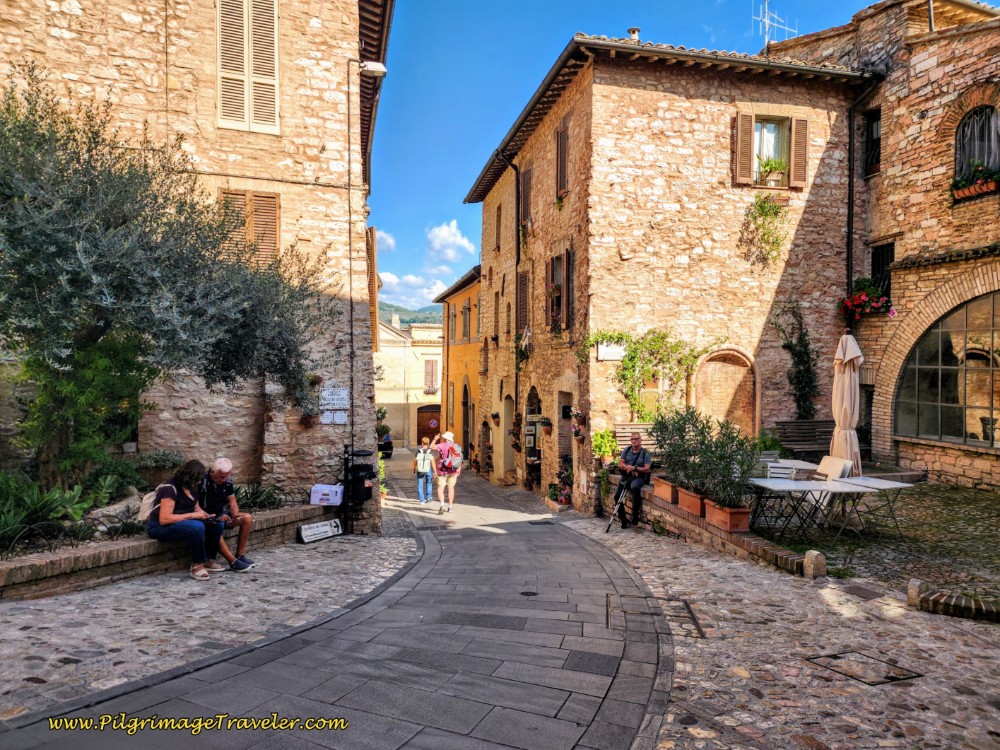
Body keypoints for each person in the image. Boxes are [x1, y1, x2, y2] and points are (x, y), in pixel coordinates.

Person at [146, 459, 226, 580]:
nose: (200, 482)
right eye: (198, 479)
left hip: (180, 522)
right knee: (196, 527)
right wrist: (192, 516)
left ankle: (208, 561)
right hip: (159, 527)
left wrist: (205, 515)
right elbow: (164, 519)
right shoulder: (170, 488)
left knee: (217, 524)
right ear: (189, 477)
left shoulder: (192, 487)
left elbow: (195, 507)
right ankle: (197, 565)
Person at [199, 458, 255, 572]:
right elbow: (195, 506)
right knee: (217, 525)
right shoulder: (202, 482)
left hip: (222, 513)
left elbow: (232, 501)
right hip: (206, 516)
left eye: (226, 476)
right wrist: (216, 518)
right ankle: (232, 561)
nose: (223, 479)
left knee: (247, 518)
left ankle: (240, 555)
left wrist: (235, 515)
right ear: (212, 472)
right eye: (221, 476)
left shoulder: (227, 481)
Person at [617, 432, 652, 529]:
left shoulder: (645, 453)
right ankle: (624, 520)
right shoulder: (627, 450)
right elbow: (620, 463)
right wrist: (628, 467)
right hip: (627, 476)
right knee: (617, 496)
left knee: (634, 487)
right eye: (632, 439)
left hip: (639, 477)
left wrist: (635, 468)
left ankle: (635, 515)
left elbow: (647, 468)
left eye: (636, 439)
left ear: (640, 440)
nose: (634, 441)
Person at [430, 431, 461, 514]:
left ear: (445, 438)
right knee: (451, 488)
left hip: (442, 470)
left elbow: (431, 446)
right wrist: (459, 468)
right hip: (453, 470)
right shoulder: (456, 446)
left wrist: (435, 439)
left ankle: (442, 505)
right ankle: (450, 507)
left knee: (441, 488)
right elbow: (459, 458)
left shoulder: (442, 445)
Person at [412, 437, 435, 505]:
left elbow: (415, 461)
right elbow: (433, 462)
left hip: (420, 470)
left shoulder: (418, 451)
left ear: (422, 443)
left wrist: (414, 468)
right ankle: (428, 498)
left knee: (420, 485)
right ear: (428, 443)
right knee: (429, 483)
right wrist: (435, 471)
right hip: (428, 469)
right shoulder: (430, 451)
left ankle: (422, 500)